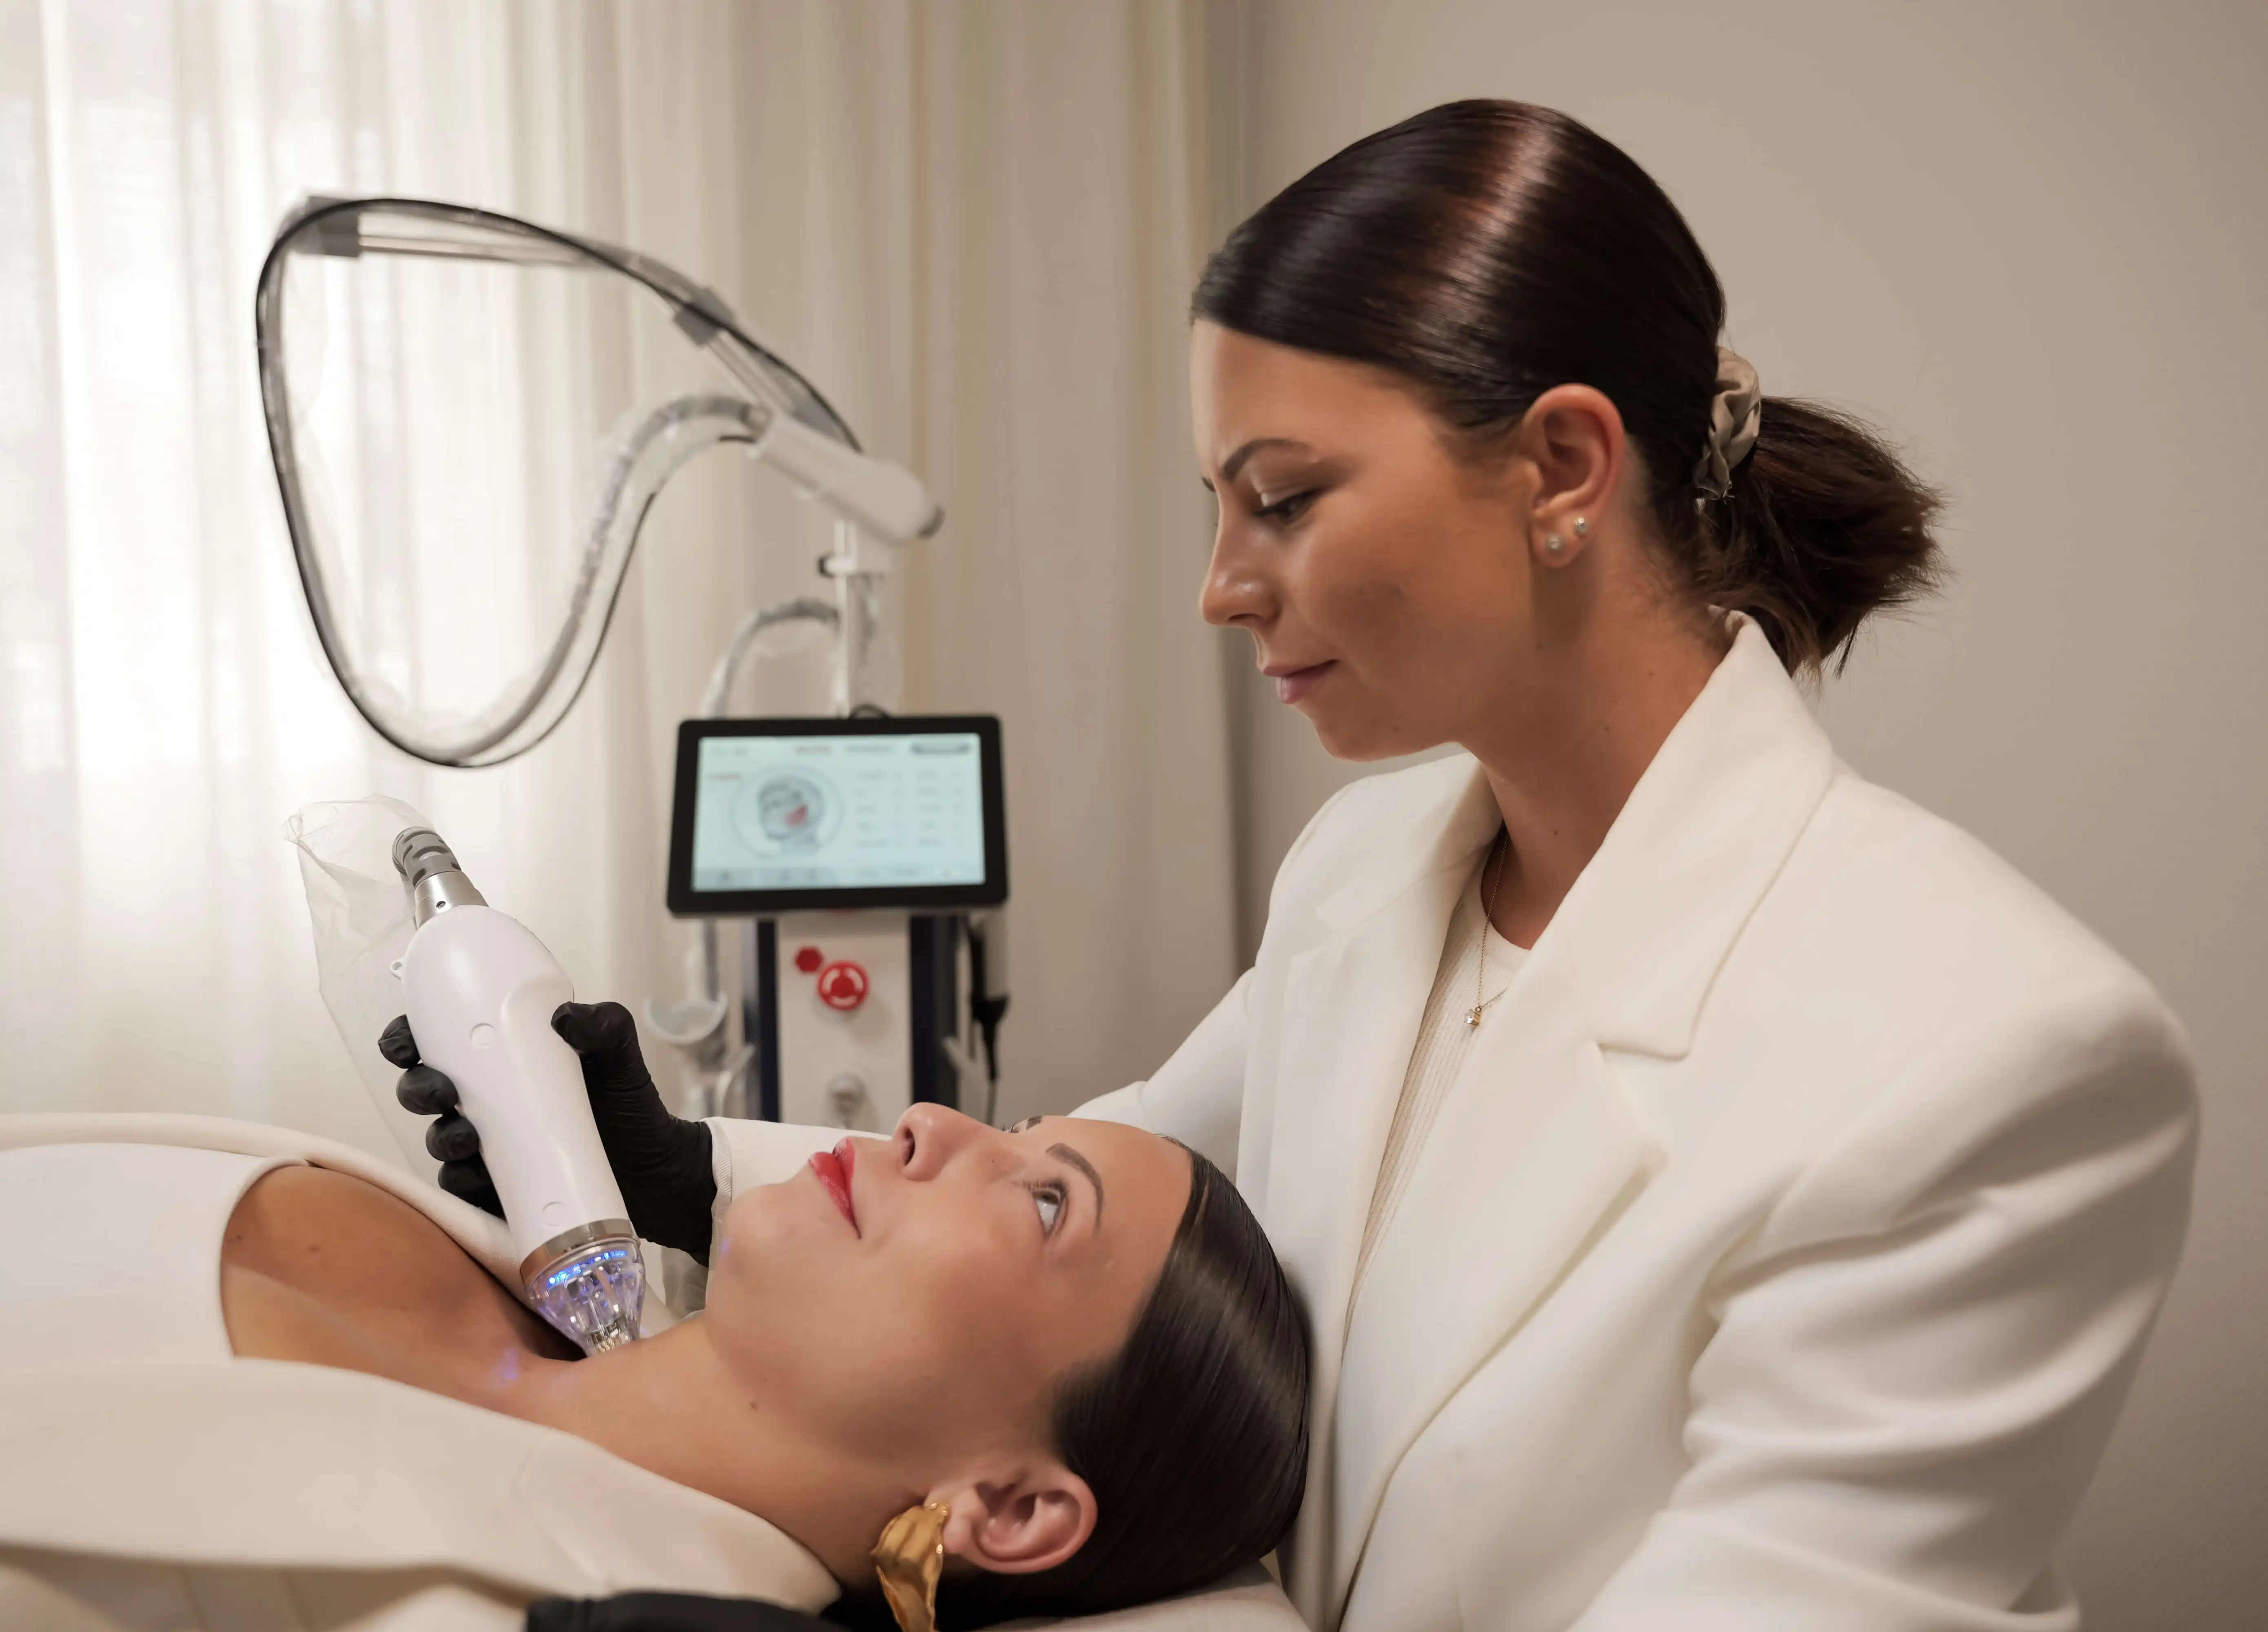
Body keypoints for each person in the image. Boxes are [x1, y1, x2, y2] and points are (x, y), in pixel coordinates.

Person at [410, 100, 2198, 1632]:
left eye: (1283, 495)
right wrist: (679, 1171)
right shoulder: (1372, 868)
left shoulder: (1993, 1060)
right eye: (1215, 501)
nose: (1221, 584)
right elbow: (1101, 1193)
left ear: (1563, 466)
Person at [2, 1016, 1309, 1632]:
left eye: (1040, 1204)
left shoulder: (500, 1608)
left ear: (1008, 1510)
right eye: (1016, 1126)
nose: (926, 1122)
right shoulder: (479, 1255)